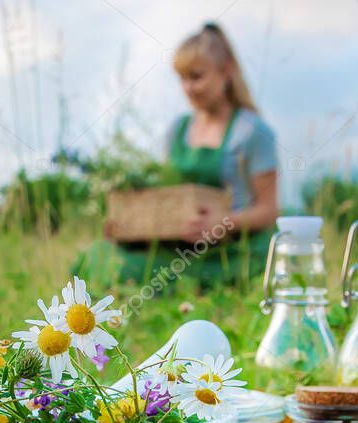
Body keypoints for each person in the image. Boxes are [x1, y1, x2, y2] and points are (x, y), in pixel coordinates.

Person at [76, 22, 279, 289]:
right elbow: (169, 199)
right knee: (99, 256)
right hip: (179, 247)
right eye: (182, 79)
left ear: (227, 71)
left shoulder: (252, 131)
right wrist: (129, 228)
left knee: (138, 273)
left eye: (196, 77)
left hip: (231, 251)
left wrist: (222, 223)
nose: (188, 88)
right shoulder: (178, 129)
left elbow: (269, 210)